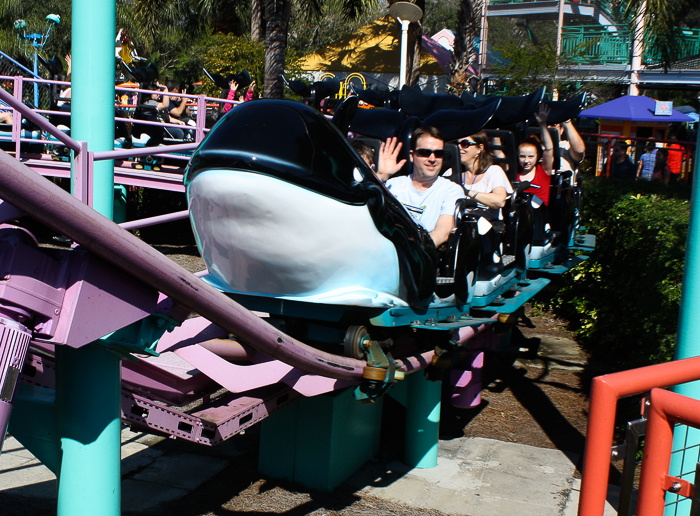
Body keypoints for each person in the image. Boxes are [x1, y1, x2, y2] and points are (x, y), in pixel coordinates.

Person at [385, 126, 464, 247]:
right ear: (412, 156)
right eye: (425, 152)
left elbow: (443, 231)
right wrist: (382, 175)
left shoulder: (451, 190)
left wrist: (414, 251)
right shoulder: (393, 185)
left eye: (438, 153)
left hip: (421, 256)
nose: (432, 159)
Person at [457, 130, 513, 220]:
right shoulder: (452, 173)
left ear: (479, 148)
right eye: (457, 144)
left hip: (485, 227)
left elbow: (500, 201)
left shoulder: (493, 171)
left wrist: (468, 192)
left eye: (464, 144)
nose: (459, 148)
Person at [517, 105, 554, 205]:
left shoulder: (542, 171)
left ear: (537, 156)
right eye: (522, 156)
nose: (526, 161)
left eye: (530, 157)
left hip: (538, 214)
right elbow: (499, 154)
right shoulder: (515, 172)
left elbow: (549, 149)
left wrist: (542, 124)